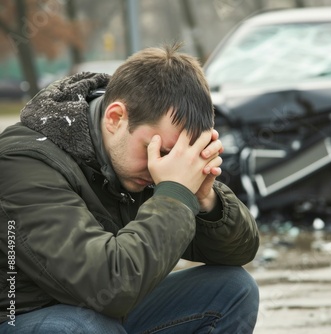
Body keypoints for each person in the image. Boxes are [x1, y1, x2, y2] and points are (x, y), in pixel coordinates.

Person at [0, 43, 260, 333]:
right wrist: (174, 193)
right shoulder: (22, 162)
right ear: (115, 118)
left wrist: (203, 198)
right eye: (159, 150)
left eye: (178, 156)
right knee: (80, 328)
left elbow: (240, 251)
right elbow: (109, 286)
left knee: (233, 290)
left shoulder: (137, 160)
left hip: (103, 314)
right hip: (21, 316)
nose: (160, 165)